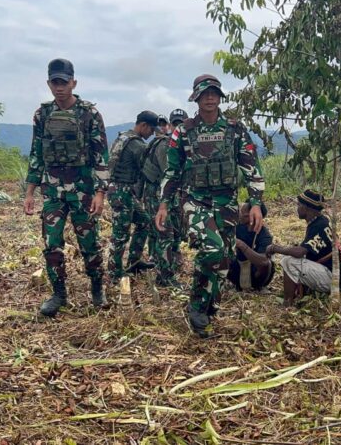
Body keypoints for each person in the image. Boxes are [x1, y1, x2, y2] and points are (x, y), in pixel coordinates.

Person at [155, 74, 265, 338]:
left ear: (220, 96)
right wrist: (163, 205)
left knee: (224, 260)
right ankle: (196, 306)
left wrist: (256, 203)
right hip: (195, 201)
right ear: (196, 98)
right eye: (205, 94)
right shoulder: (184, 131)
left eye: (214, 93)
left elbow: (251, 167)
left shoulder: (235, 129)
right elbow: (172, 171)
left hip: (226, 202)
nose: (210, 98)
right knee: (212, 250)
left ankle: (209, 305)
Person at [24, 58, 109, 317]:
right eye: (55, 82)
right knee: (51, 244)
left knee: (90, 243)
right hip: (52, 191)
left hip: (83, 189)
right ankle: (59, 293)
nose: (59, 87)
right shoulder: (43, 115)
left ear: (74, 82)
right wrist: (29, 192)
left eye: (64, 82)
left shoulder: (89, 114)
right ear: (49, 84)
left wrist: (100, 192)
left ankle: (97, 288)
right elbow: (36, 153)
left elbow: (101, 156)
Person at [266, 190, 341, 307]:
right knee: (290, 256)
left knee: (288, 261)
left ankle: (287, 303)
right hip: (335, 274)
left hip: (332, 278)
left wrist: (275, 248)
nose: (297, 208)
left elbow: (300, 252)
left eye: (298, 205)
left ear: (306, 208)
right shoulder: (321, 221)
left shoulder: (318, 225)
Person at [107, 111, 158, 282]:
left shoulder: (123, 137)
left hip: (121, 190)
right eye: (151, 130)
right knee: (120, 233)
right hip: (122, 190)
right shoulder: (137, 145)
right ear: (143, 125)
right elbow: (149, 170)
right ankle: (114, 273)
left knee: (144, 222)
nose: (152, 134)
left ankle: (134, 261)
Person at [141, 109, 188, 287]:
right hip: (158, 195)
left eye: (181, 124)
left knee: (175, 232)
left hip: (171, 195)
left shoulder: (182, 144)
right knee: (165, 234)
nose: (178, 127)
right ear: (170, 126)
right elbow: (169, 174)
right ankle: (165, 276)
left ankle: (171, 265)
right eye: (175, 124)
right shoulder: (165, 145)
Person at [228, 202, 274, 291]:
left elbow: (263, 261)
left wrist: (242, 245)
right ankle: (234, 284)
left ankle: (258, 286)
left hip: (256, 275)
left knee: (266, 264)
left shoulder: (264, 235)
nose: (239, 215)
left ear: (252, 217)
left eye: (243, 214)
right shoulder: (235, 227)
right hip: (237, 269)